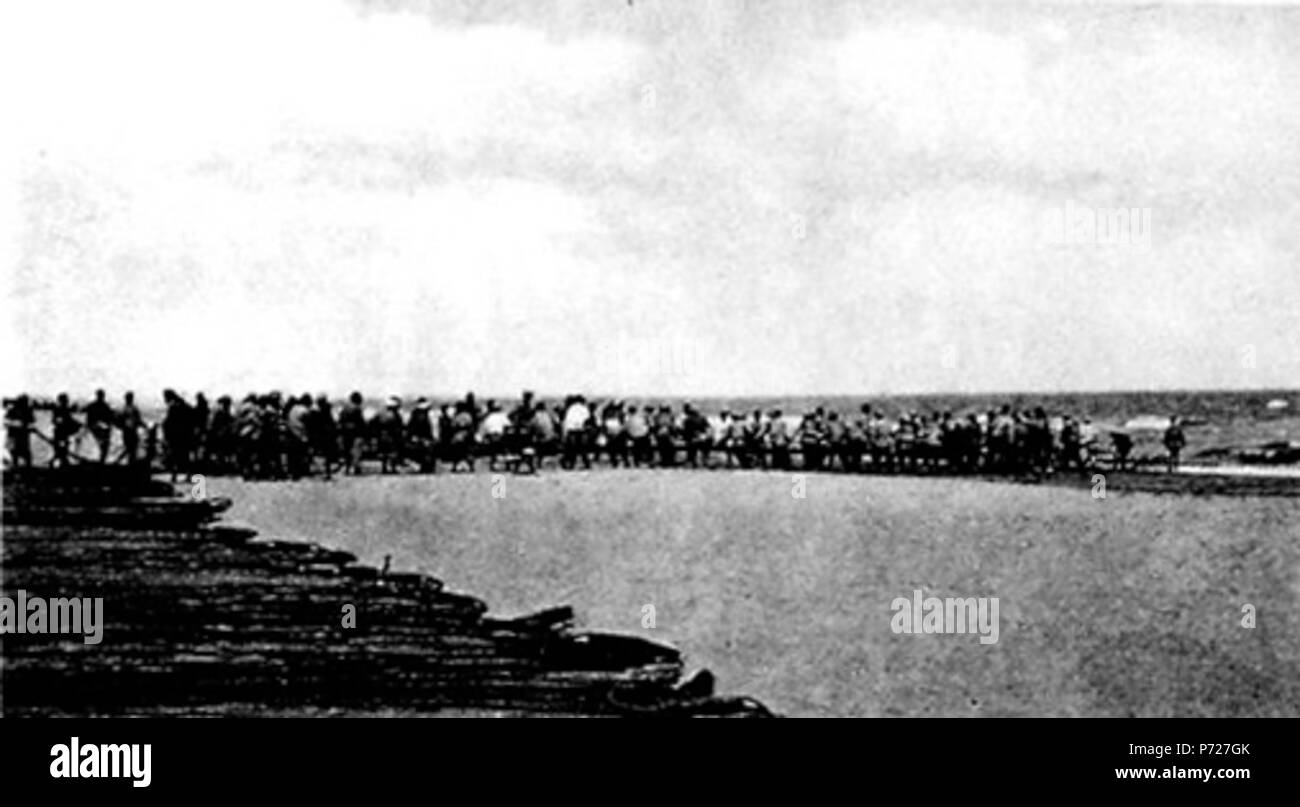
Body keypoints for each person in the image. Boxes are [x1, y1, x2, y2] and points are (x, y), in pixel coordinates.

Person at [374, 397, 405, 474]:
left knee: (384, 453)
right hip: (392, 436)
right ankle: (393, 468)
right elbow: (400, 427)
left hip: (382, 436)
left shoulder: (380, 414)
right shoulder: (396, 415)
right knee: (393, 452)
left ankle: (384, 468)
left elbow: (373, 424)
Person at [338, 392, 367, 475]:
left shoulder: (344, 408)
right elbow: (361, 422)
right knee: (356, 451)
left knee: (347, 450)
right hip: (356, 432)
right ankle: (355, 468)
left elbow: (340, 420)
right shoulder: (357, 409)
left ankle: (346, 469)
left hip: (345, 432)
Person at [562, 396, 593, 470]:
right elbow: (587, 420)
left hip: (572, 431)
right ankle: (587, 464)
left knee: (573, 449)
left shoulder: (570, 409)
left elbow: (567, 422)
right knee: (583, 449)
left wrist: (565, 434)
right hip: (582, 430)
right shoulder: (584, 408)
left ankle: (571, 465)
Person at [84, 389, 114, 463]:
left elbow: (110, 419)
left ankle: (101, 461)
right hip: (95, 429)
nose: (101, 397)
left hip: (101, 430)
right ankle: (101, 461)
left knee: (104, 446)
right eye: (100, 395)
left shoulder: (104, 406)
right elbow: (88, 419)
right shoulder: (98, 406)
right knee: (103, 446)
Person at [479, 400, 510, 471]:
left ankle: (493, 463)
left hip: (491, 438)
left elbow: (484, 429)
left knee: (493, 449)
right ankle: (506, 465)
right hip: (500, 438)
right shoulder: (502, 417)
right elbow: (508, 426)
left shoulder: (488, 418)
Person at [4, 394, 34, 467]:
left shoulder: (28, 410)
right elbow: (6, 422)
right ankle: (13, 465)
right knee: (12, 452)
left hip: (23, 435)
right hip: (12, 435)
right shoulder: (12, 409)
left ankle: (27, 468)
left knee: (26, 453)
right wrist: (17, 424)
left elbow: (32, 421)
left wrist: (28, 427)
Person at [118, 391, 143, 466]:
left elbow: (122, 420)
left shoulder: (126, 408)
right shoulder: (133, 408)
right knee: (132, 450)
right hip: (131, 431)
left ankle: (129, 464)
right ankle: (130, 465)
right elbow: (138, 420)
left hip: (128, 431)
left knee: (130, 449)